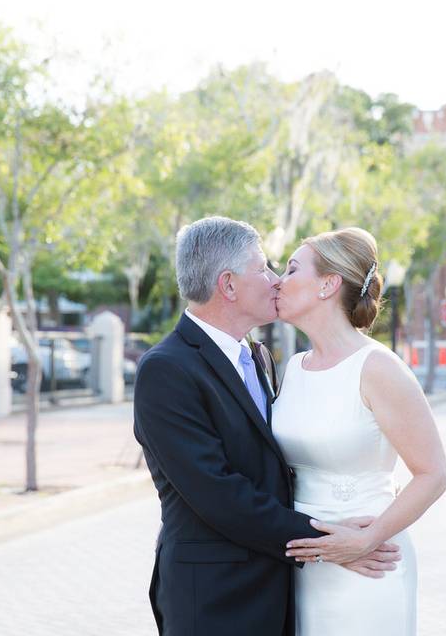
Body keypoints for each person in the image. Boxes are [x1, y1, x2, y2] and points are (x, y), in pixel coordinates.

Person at [133, 217, 400, 636]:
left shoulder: (258, 357)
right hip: (214, 597)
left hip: (280, 590)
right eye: (263, 268)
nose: (275, 280)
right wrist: (329, 541)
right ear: (229, 285)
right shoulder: (167, 369)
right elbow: (218, 493)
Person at [273, 228, 446, 636]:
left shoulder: (377, 368)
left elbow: (434, 473)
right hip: (306, 565)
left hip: (370, 564)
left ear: (328, 284)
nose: (278, 280)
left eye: (293, 268)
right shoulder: (294, 369)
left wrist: (366, 540)